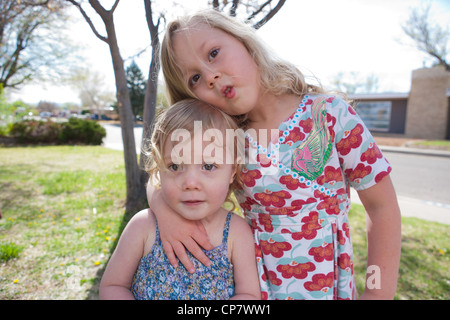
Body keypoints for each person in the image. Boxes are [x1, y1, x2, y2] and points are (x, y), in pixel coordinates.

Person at [148, 9, 401, 300]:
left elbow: (382, 209)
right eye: (194, 78)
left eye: (214, 53)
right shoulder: (220, 139)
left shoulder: (329, 115)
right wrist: (163, 209)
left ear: (244, 41)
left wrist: (377, 292)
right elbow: (164, 175)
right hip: (250, 291)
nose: (211, 76)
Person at [99, 99, 261, 300]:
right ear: (159, 169)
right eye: (175, 166)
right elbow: (112, 286)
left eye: (208, 166)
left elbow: (249, 295)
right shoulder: (143, 226)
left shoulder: (236, 232)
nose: (190, 183)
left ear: (231, 172)